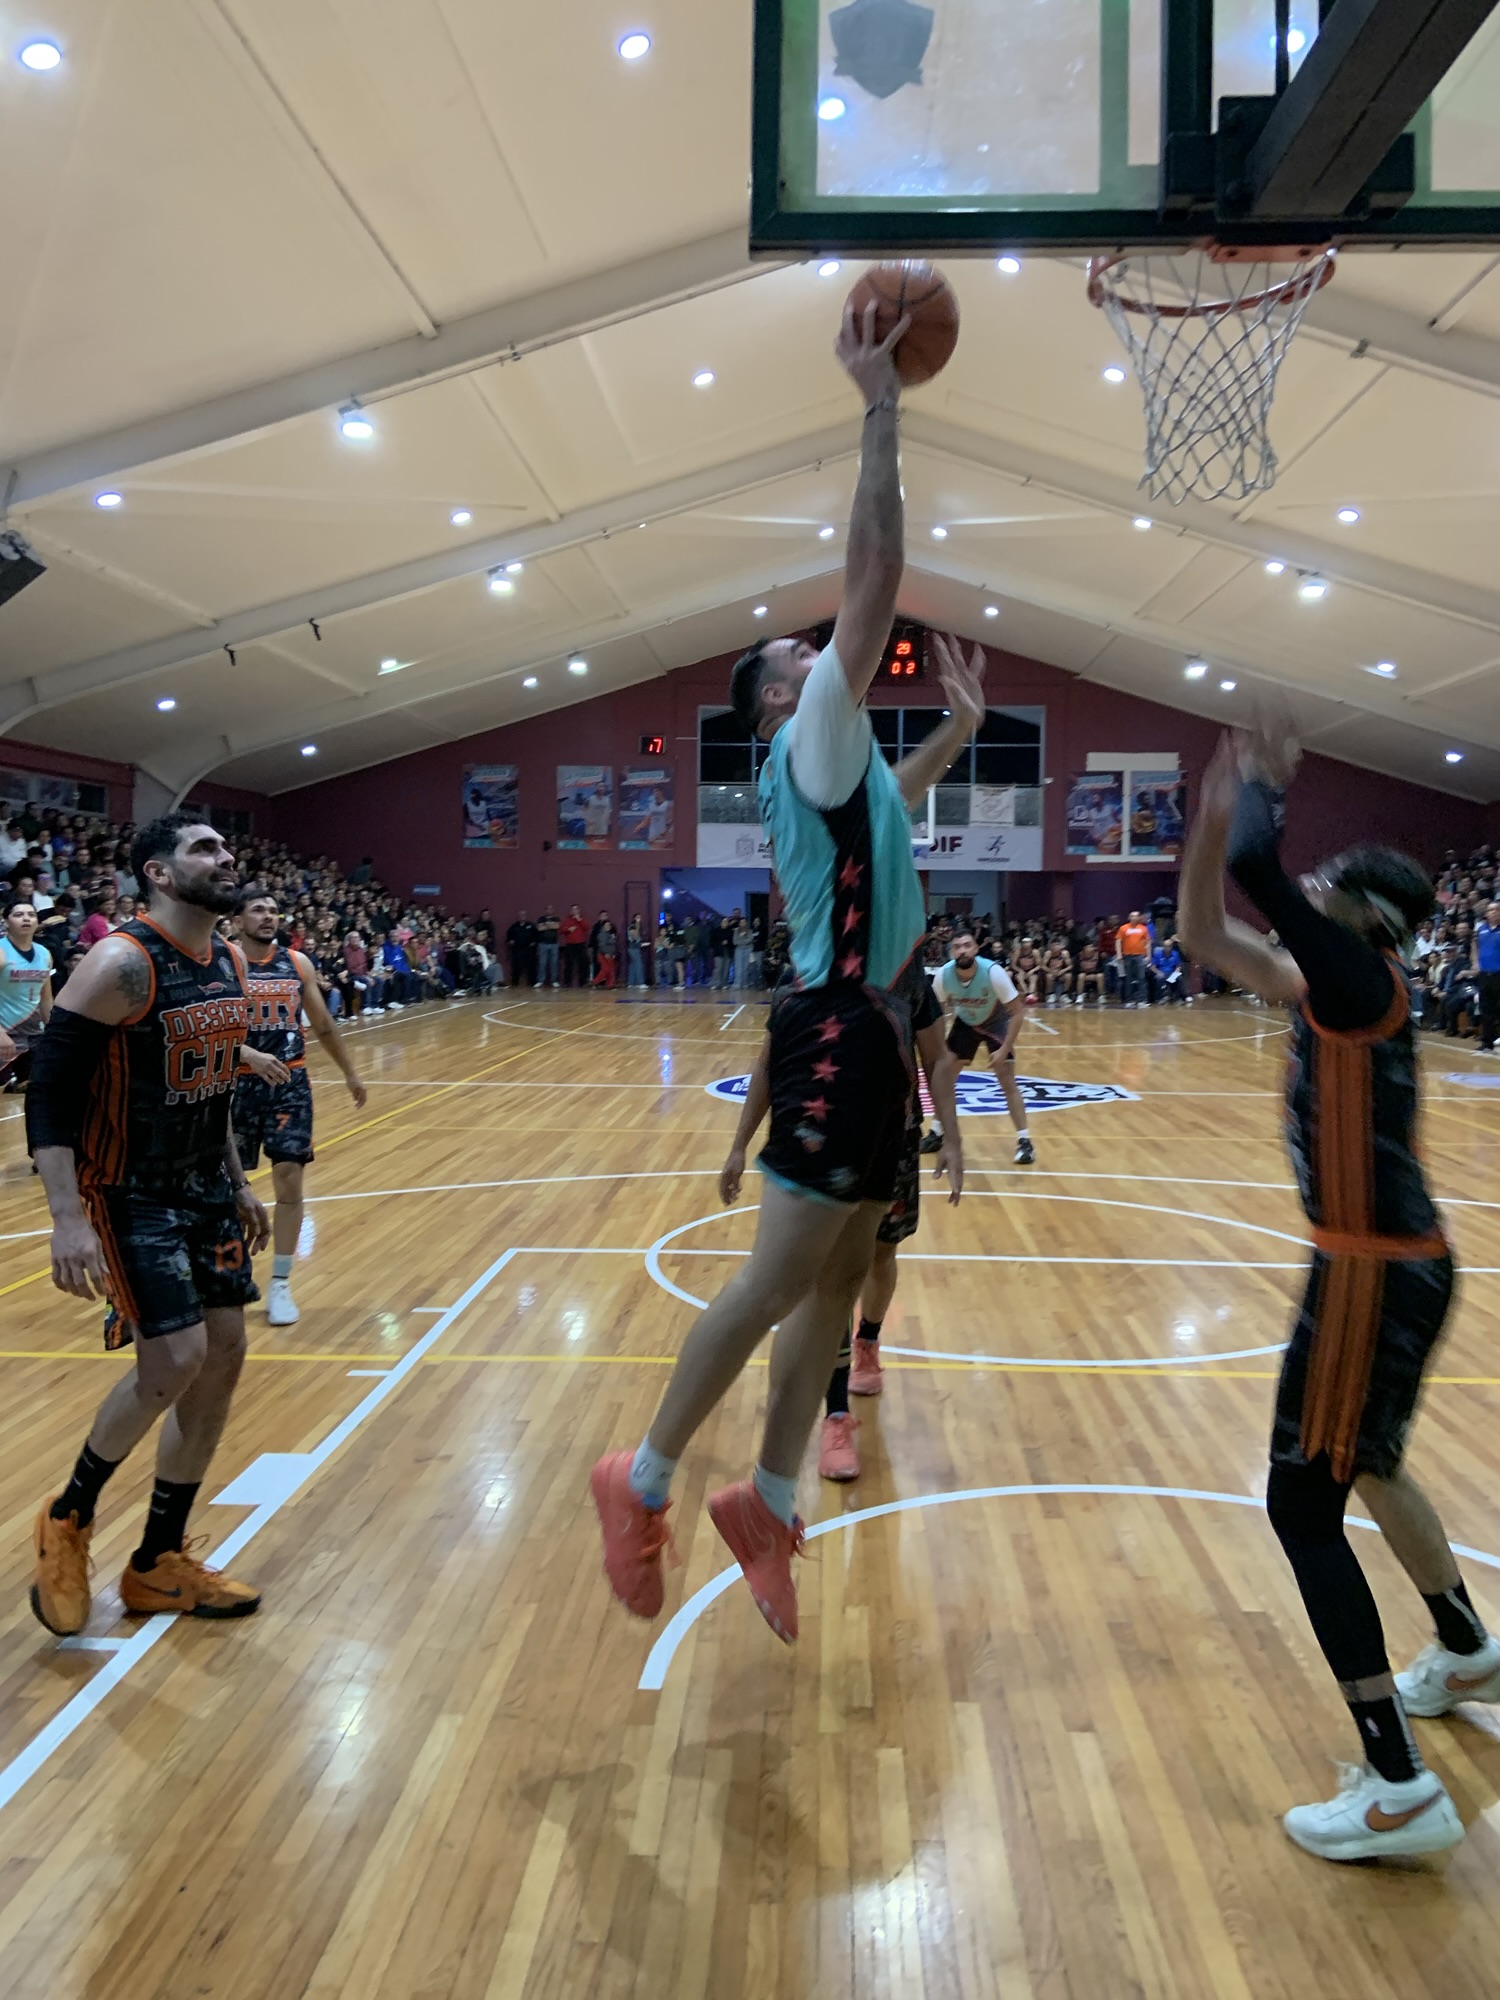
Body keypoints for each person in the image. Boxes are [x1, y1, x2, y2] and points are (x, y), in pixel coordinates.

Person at [590, 301, 986, 1645]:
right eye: (798, 657)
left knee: (835, 1276)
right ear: (777, 697)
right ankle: (642, 1476)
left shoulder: (836, 759)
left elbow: (897, 794)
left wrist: (959, 732)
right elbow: (875, 574)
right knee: (773, 1283)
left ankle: (764, 1501)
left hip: (866, 1027)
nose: (819, 654)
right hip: (836, 1030)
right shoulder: (811, 728)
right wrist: (879, 407)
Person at [1178, 728, 1498, 1863]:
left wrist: (1261, 789)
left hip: (1368, 1271)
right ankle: (1465, 1645)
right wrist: (1208, 816)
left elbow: (1258, 872)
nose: (1307, 893)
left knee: (1302, 1507)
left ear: (1366, 913)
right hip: (1396, 1262)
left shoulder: (1358, 979)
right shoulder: (1337, 984)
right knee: (1374, 1462)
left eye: (1327, 886)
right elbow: (1203, 931)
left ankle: (1397, 1785)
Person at [25, 812, 278, 1634]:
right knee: (174, 1359)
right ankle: (69, 1517)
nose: (226, 857)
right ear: (160, 874)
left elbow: (214, 1080)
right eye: (205, 849)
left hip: (205, 1186)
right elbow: (49, 1092)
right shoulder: (122, 963)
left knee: (223, 1356)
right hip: (127, 1189)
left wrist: (237, 1181)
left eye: (226, 846)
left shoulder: (229, 958)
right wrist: (67, 1218)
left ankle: (157, 1561)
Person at [719, 968, 957, 1482]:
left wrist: (951, 1137)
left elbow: (937, 1058)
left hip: (894, 1142)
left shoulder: (909, 978)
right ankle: (835, 1414)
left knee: (881, 1256)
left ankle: (868, 1342)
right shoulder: (801, 979)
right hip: (824, 1145)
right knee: (830, 1284)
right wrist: (739, 1145)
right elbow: (768, 1063)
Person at [232, 887, 367, 1327]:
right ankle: (226, 1275)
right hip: (233, 1086)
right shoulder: (221, 961)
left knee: (289, 1176)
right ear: (237, 920)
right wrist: (246, 1053)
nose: (268, 917)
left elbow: (322, 1024)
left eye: (273, 910)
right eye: (258, 910)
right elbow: (205, 1028)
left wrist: (350, 1072)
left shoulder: (296, 962)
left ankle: (281, 1282)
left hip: (289, 1082)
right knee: (225, 1186)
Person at [924, 924, 1034, 1165]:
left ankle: (1025, 1141)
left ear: (975, 949)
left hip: (996, 1022)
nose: (962, 950)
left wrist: (1004, 1049)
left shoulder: (993, 972)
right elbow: (936, 1012)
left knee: (1006, 1079)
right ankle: (936, 1132)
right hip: (965, 1023)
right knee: (944, 1078)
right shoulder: (943, 975)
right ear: (951, 952)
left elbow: (1018, 1012)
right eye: (957, 947)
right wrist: (940, 1047)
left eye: (967, 945)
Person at [0, 895, 54, 1089]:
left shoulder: (44, 953)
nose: (26, 918)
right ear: (6, 922)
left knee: (33, 1090)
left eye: (31, 915)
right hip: (5, 1031)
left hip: (33, 1032)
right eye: (19, 915)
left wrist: (52, 1031)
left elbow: (46, 998)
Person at [1475, 900, 1500, 1052]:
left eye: (1497, 909)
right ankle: (1487, 1042)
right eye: (1491, 910)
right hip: (1484, 975)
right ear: (1486, 914)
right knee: (1486, 1009)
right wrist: (1475, 963)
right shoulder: (1481, 929)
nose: (1494, 912)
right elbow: (1476, 947)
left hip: (1498, 975)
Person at [1117, 910, 1152, 1006]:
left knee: (1141, 977)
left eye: (1136, 916)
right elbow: (1118, 941)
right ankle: (1129, 1000)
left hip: (1140, 956)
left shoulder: (1143, 928)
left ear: (1139, 918)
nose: (1134, 918)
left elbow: (1148, 942)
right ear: (1129, 918)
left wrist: (1148, 955)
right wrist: (1119, 954)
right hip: (1127, 956)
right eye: (1132, 916)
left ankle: (1142, 1000)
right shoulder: (1123, 928)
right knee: (1128, 978)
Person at [1150, 934, 1188, 1003]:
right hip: (1161, 973)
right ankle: (1160, 997)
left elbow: (1178, 965)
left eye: (1169, 946)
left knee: (1179, 977)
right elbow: (1152, 967)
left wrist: (1177, 971)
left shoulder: (1175, 954)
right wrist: (1158, 972)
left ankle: (1178, 997)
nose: (1167, 948)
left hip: (1171, 973)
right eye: (1165, 946)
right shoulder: (1158, 954)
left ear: (1171, 947)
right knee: (1159, 978)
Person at [506, 910, 537, 988]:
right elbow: (509, 935)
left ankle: (532, 982)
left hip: (528, 948)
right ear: (518, 917)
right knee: (516, 966)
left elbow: (536, 935)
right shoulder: (514, 926)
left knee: (531, 966)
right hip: (517, 949)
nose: (522, 916)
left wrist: (534, 942)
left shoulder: (531, 925)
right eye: (520, 915)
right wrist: (510, 940)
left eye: (523, 915)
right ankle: (515, 982)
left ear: (525, 916)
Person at [560, 904, 589, 988]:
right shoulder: (567, 919)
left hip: (580, 944)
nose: (574, 911)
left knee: (582, 963)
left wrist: (579, 920)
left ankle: (583, 982)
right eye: (573, 909)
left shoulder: (582, 919)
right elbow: (561, 930)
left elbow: (586, 927)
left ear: (578, 910)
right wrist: (568, 929)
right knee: (569, 963)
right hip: (570, 944)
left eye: (576, 909)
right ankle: (567, 982)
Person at [1041, 938, 1073, 1007]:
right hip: (1051, 972)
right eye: (1054, 945)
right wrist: (1051, 971)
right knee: (1049, 976)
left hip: (1061, 972)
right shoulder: (1048, 953)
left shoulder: (1065, 953)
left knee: (1068, 976)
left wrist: (1062, 971)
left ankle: (1064, 995)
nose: (1056, 947)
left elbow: (1070, 966)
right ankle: (1051, 994)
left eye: (1058, 945)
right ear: (1051, 946)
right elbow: (1043, 966)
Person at [535, 906, 561, 988]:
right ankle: (540, 981)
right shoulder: (541, 919)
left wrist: (546, 925)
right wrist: (550, 925)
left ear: (553, 910)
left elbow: (557, 926)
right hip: (543, 944)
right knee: (542, 963)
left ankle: (554, 981)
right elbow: (539, 928)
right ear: (545, 910)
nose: (549, 910)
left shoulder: (556, 919)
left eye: (551, 909)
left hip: (554, 944)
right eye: (547, 909)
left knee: (554, 963)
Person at [1074, 938, 1105, 1004]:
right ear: (1084, 948)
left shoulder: (1098, 955)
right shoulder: (1079, 955)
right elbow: (1076, 969)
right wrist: (1086, 972)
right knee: (1081, 976)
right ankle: (1079, 996)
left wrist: (1093, 973)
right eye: (1090, 947)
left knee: (1100, 976)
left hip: (1094, 974)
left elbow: (1101, 968)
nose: (1092, 948)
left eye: (1092, 947)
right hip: (1083, 974)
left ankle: (1101, 996)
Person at [591, 912, 618, 988]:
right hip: (603, 955)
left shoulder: (611, 934)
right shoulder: (601, 934)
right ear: (603, 926)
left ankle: (610, 984)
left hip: (611, 954)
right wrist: (605, 953)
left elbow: (614, 945)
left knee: (611, 970)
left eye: (609, 925)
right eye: (606, 925)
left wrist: (614, 953)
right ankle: (595, 982)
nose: (608, 926)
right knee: (605, 969)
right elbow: (602, 945)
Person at [626, 915, 648, 988]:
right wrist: (637, 927)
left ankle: (631, 983)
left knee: (633, 966)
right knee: (639, 965)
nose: (639, 919)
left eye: (640, 918)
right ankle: (640, 983)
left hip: (636, 947)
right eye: (637, 918)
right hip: (633, 949)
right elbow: (635, 936)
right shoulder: (632, 927)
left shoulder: (639, 928)